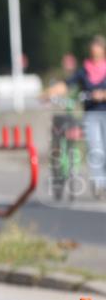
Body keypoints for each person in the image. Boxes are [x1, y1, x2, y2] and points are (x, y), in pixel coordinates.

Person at [50, 35, 106, 197]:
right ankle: (99, 183)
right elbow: (66, 85)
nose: (95, 56)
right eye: (93, 53)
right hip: (91, 114)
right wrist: (48, 93)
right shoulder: (84, 71)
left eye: (98, 53)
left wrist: (102, 94)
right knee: (95, 149)